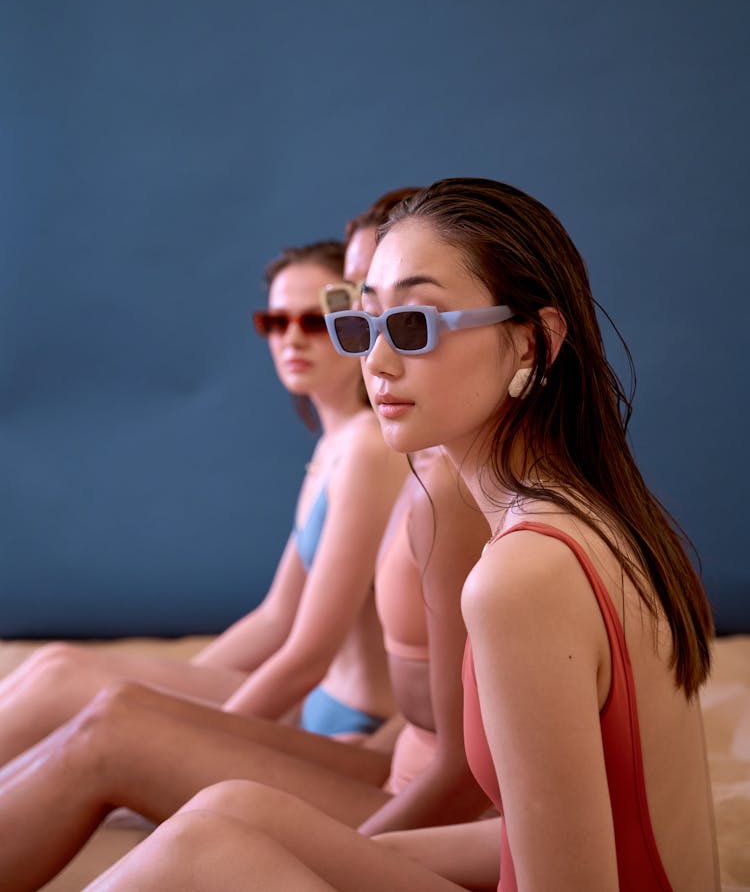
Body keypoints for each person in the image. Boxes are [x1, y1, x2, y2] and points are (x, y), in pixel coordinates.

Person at [88, 176, 719, 891]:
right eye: (363, 325)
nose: (376, 364)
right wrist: (333, 856)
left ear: (532, 342)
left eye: (415, 325)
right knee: (231, 816)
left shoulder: (521, 577)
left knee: (211, 842)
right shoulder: (594, 514)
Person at [0, 204, 493, 891]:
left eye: (324, 315)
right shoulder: (388, 463)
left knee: (103, 715)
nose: (361, 336)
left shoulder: (417, 477)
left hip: (367, 743)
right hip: (375, 746)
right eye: (278, 321)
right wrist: (173, 721)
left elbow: (336, 669)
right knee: (88, 692)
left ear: (528, 341)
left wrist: (199, 737)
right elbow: (282, 621)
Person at [0, 237, 407, 759]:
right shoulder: (336, 444)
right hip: (316, 705)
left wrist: (189, 733)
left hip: (345, 724)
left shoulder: (369, 450)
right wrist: (167, 686)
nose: (291, 339)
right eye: (275, 322)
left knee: (66, 679)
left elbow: (308, 653)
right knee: (59, 667)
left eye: (313, 321)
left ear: (356, 323)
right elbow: (276, 619)